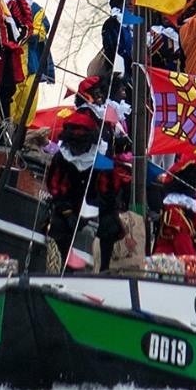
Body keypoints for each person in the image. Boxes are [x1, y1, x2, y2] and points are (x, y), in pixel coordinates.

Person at [42, 107, 130, 272]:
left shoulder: (102, 161)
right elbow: (56, 187)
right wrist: (68, 212)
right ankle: (62, 267)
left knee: (109, 226)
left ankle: (103, 269)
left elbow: (109, 191)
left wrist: (91, 212)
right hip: (69, 205)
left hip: (97, 206)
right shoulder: (62, 158)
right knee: (59, 227)